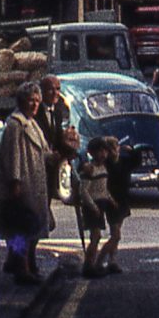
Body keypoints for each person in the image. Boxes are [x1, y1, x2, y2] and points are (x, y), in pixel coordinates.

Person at [0, 81, 51, 284]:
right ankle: (22, 268)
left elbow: (44, 151)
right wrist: (15, 181)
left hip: (34, 181)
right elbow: (13, 155)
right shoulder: (15, 123)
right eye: (31, 101)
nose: (35, 105)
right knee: (22, 228)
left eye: (37, 101)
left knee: (30, 227)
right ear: (22, 101)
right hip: (22, 183)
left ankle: (23, 263)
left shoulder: (32, 123)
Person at [78, 137, 117, 279]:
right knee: (95, 236)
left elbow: (103, 188)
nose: (103, 154)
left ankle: (91, 264)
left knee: (97, 236)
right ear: (92, 153)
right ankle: (88, 266)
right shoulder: (90, 169)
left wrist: (110, 199)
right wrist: (93, 206)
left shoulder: (103, 167)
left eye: (104, 151)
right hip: (92, 206)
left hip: (101, 203)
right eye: (100, 151)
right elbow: (83, 191)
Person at [38, 74, 80, 206]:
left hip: (51, 166)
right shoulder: (35, 110)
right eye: (51, 89)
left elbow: (55, 135)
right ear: (42, 91)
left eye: (58, 89)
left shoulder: (57, 110)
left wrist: (67, 148)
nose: (55, 93)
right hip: (37, 164)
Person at [96, 135, 134, 276]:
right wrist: (110, 199)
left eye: (115, 147)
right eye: (111, 149)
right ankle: (99, 261)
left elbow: (136, 162)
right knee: (116, 235)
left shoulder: (123, 161)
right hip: (112, 202)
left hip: (123, 201)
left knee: (116, 234)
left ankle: (112, 260)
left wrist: (131, 150)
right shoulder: (106, 165)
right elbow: (104, 186)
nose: (114, 151)